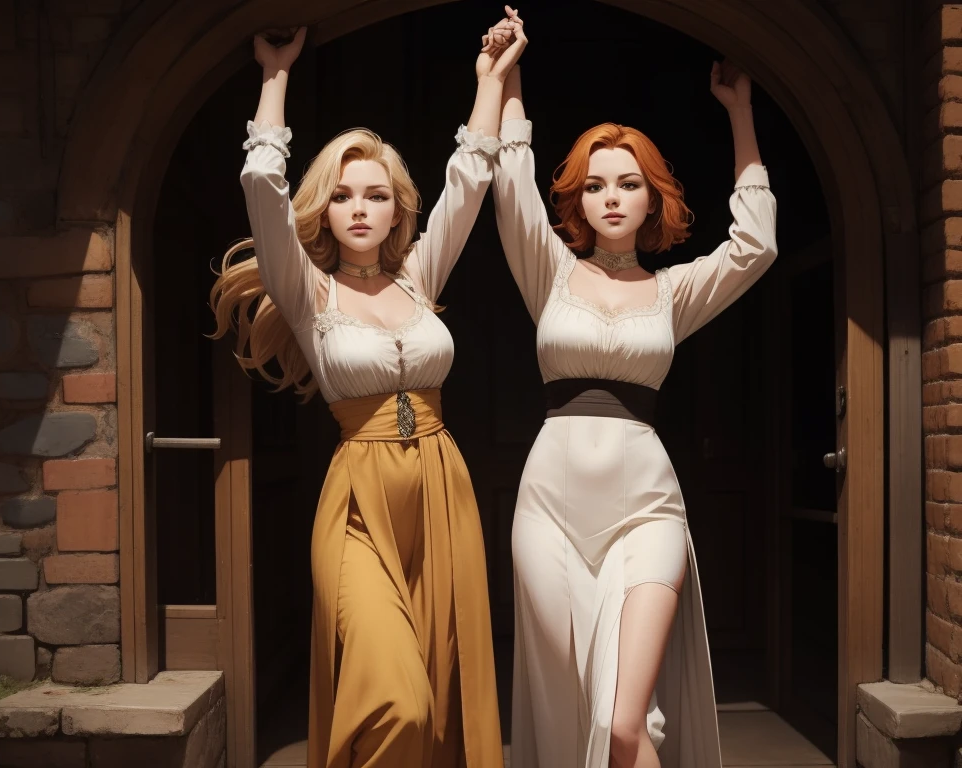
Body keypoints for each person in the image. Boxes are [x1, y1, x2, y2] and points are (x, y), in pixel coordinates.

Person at [209, 20, 525, 768]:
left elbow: (471, 176)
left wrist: (490, 76)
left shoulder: (419, 278)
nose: (358, 207)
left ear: (396, 209)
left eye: (375, 195)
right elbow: (262, 186)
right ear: (324, 208)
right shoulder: (307, 292)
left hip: (443, 495)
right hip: (356, 505)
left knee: (440, 703)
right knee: (396, 698)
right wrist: (275, 75)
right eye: (343, 195)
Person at [489, 9, 777, 767]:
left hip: (648, 509)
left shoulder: (675, 293)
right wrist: (511, 72)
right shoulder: (548, 271)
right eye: (593, 186)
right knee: (578, 707)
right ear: (577, 202)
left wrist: (741, 114)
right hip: (548, 511)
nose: (610, 197)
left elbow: (755, 246)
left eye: (627, 184)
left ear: (652, 198)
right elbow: (511, 181)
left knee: (625, 723)